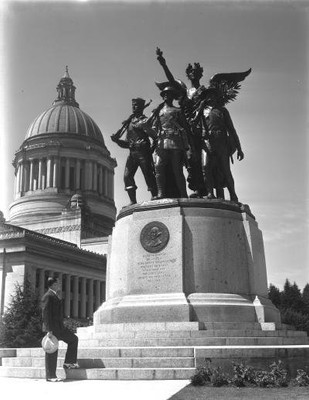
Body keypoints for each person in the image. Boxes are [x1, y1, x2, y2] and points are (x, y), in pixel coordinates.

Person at [111, 98, 157, 205]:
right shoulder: (129, 123)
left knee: (148, 174)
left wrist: (151, 150)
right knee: (127, 176)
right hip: (132, 153)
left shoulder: (145, 121)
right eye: (133, 105)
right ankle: (132, 200)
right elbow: (126, 144)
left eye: (136, 105)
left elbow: (155, 136)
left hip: (143, 152)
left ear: (141, 107)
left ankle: (154, 195)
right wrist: (117, 141)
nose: (133, 107)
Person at [203, 88, 244, 202]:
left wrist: (239, 148)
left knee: (225, 170)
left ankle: (233, 195)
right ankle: (210, 193)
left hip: (221, 141)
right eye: (209, 96)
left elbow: (231, 129)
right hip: (207, 142)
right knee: (206, 167)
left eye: (213, 95)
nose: (211, 98)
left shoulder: (222, 111)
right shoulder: (202, 110)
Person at [151, 86, 190, 199]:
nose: (166, 96)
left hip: (175, 142)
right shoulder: (158, 112)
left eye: (169, 94)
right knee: (158, 167)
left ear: (173, 97)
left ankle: (183, 194)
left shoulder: (178, 111)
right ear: (162, 97)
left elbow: (185, 128)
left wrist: (187, 146)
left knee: (177, 169)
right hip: (161, 143)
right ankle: (161, 193)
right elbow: (153, 127)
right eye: (164, 94)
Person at [41, 277, 79, 382]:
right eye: (57, 283)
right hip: (52, 328)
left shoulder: (55, 295)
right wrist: (48, 330)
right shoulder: (48, 296)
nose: (59, 284)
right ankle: (51, 376)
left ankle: (69, 363)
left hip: (60, 328)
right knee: (51, 351)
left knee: (73, 339)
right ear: (53, 284)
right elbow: (45, 314)